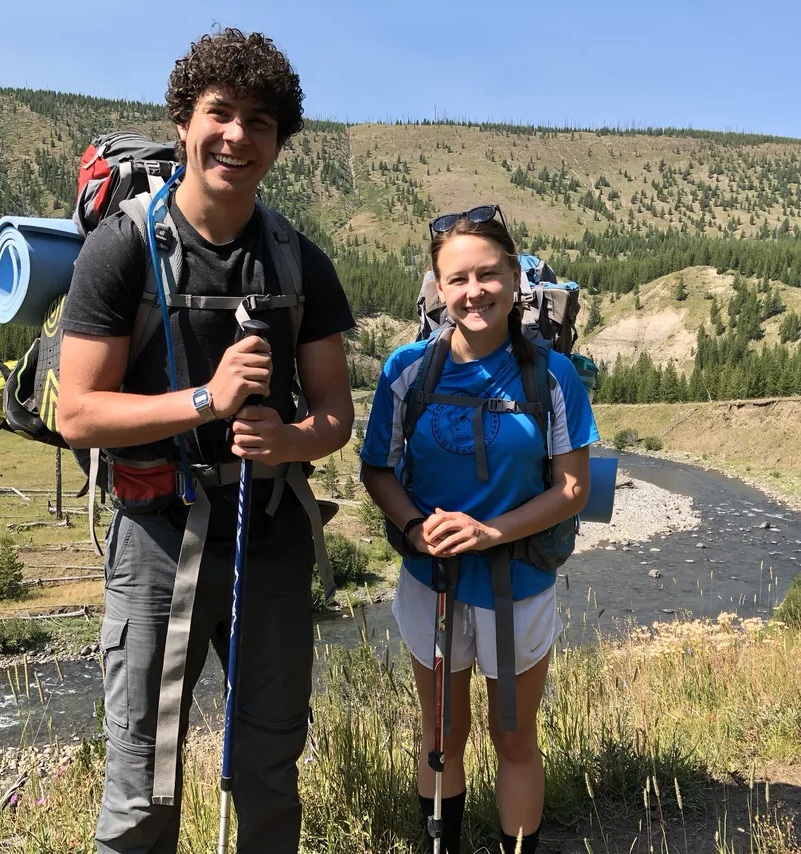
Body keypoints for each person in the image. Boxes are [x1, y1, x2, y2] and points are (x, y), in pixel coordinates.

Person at [57, 28, 355, 854]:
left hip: (269, 535)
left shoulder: (299, 261)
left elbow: (335, 412)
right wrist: (206, 400)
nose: (237, 135)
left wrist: (291, 439)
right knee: (142, 782)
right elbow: (77, 411)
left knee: (267, 768)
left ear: (278, 142)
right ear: (185, 122)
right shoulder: (125, 248)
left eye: (260, 121)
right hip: (156, 537)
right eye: (219, 113)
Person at [360, 206, 598, 854]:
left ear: (515, 278)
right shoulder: (406, 370)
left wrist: (490, 532)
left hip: (516, 586)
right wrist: (412, 528)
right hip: (428, 578)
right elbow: (377, 470)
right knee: (441, 735)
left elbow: (572, 489)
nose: (473, 292)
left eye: (488, 274)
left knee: (514, 738)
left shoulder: (552, 376)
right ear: (438, 288)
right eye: (457, 278)